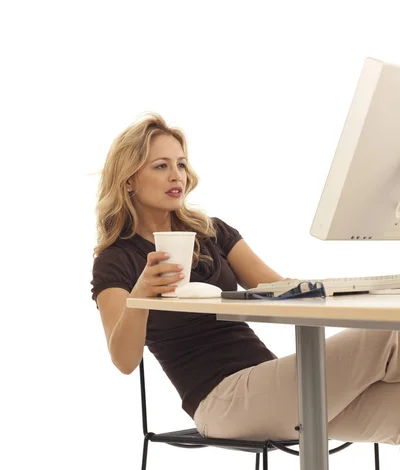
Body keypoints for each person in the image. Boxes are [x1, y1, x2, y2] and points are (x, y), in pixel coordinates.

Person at [91, 112, 400, 445]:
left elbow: (281, 291)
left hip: (271, 389)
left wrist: (335, 287)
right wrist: (141, 295)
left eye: (181, 164)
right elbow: (124, 361)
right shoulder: (116, 260)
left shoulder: (211, 232)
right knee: (387, 336)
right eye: (161, 166)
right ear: (128, 180)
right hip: (221, 403)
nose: (176, 175)